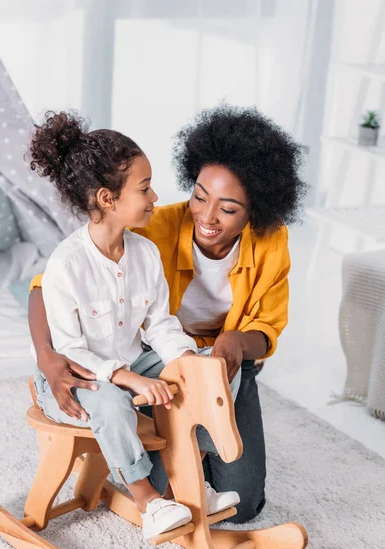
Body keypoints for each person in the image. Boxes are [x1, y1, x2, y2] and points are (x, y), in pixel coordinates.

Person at [29, 105, 307, 523]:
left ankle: (198, 463)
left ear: (255, 212)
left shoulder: (269, 241)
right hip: (132, 363)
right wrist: (48, 357)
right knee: (159, 478)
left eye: (228, 209)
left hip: (219, 363)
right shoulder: (149, 228)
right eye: (199, 196)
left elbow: (258, 327)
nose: (207, 217)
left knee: (243, 505)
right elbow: (45, 288)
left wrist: (222, 350)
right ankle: (162, 489)